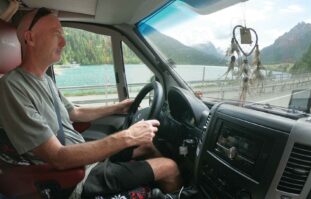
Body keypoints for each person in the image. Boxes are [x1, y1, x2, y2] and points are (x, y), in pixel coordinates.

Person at [0, 7, 181, 198]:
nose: (64, 42)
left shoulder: (45, 80)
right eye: (56, 34)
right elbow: (58, 158)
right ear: (30, 38)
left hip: (84, 158)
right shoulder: (12, 87)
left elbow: (74, 113)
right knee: (170, 167)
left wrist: (118, 106)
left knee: (147, 146)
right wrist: (128, 136)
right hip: (75, 177)